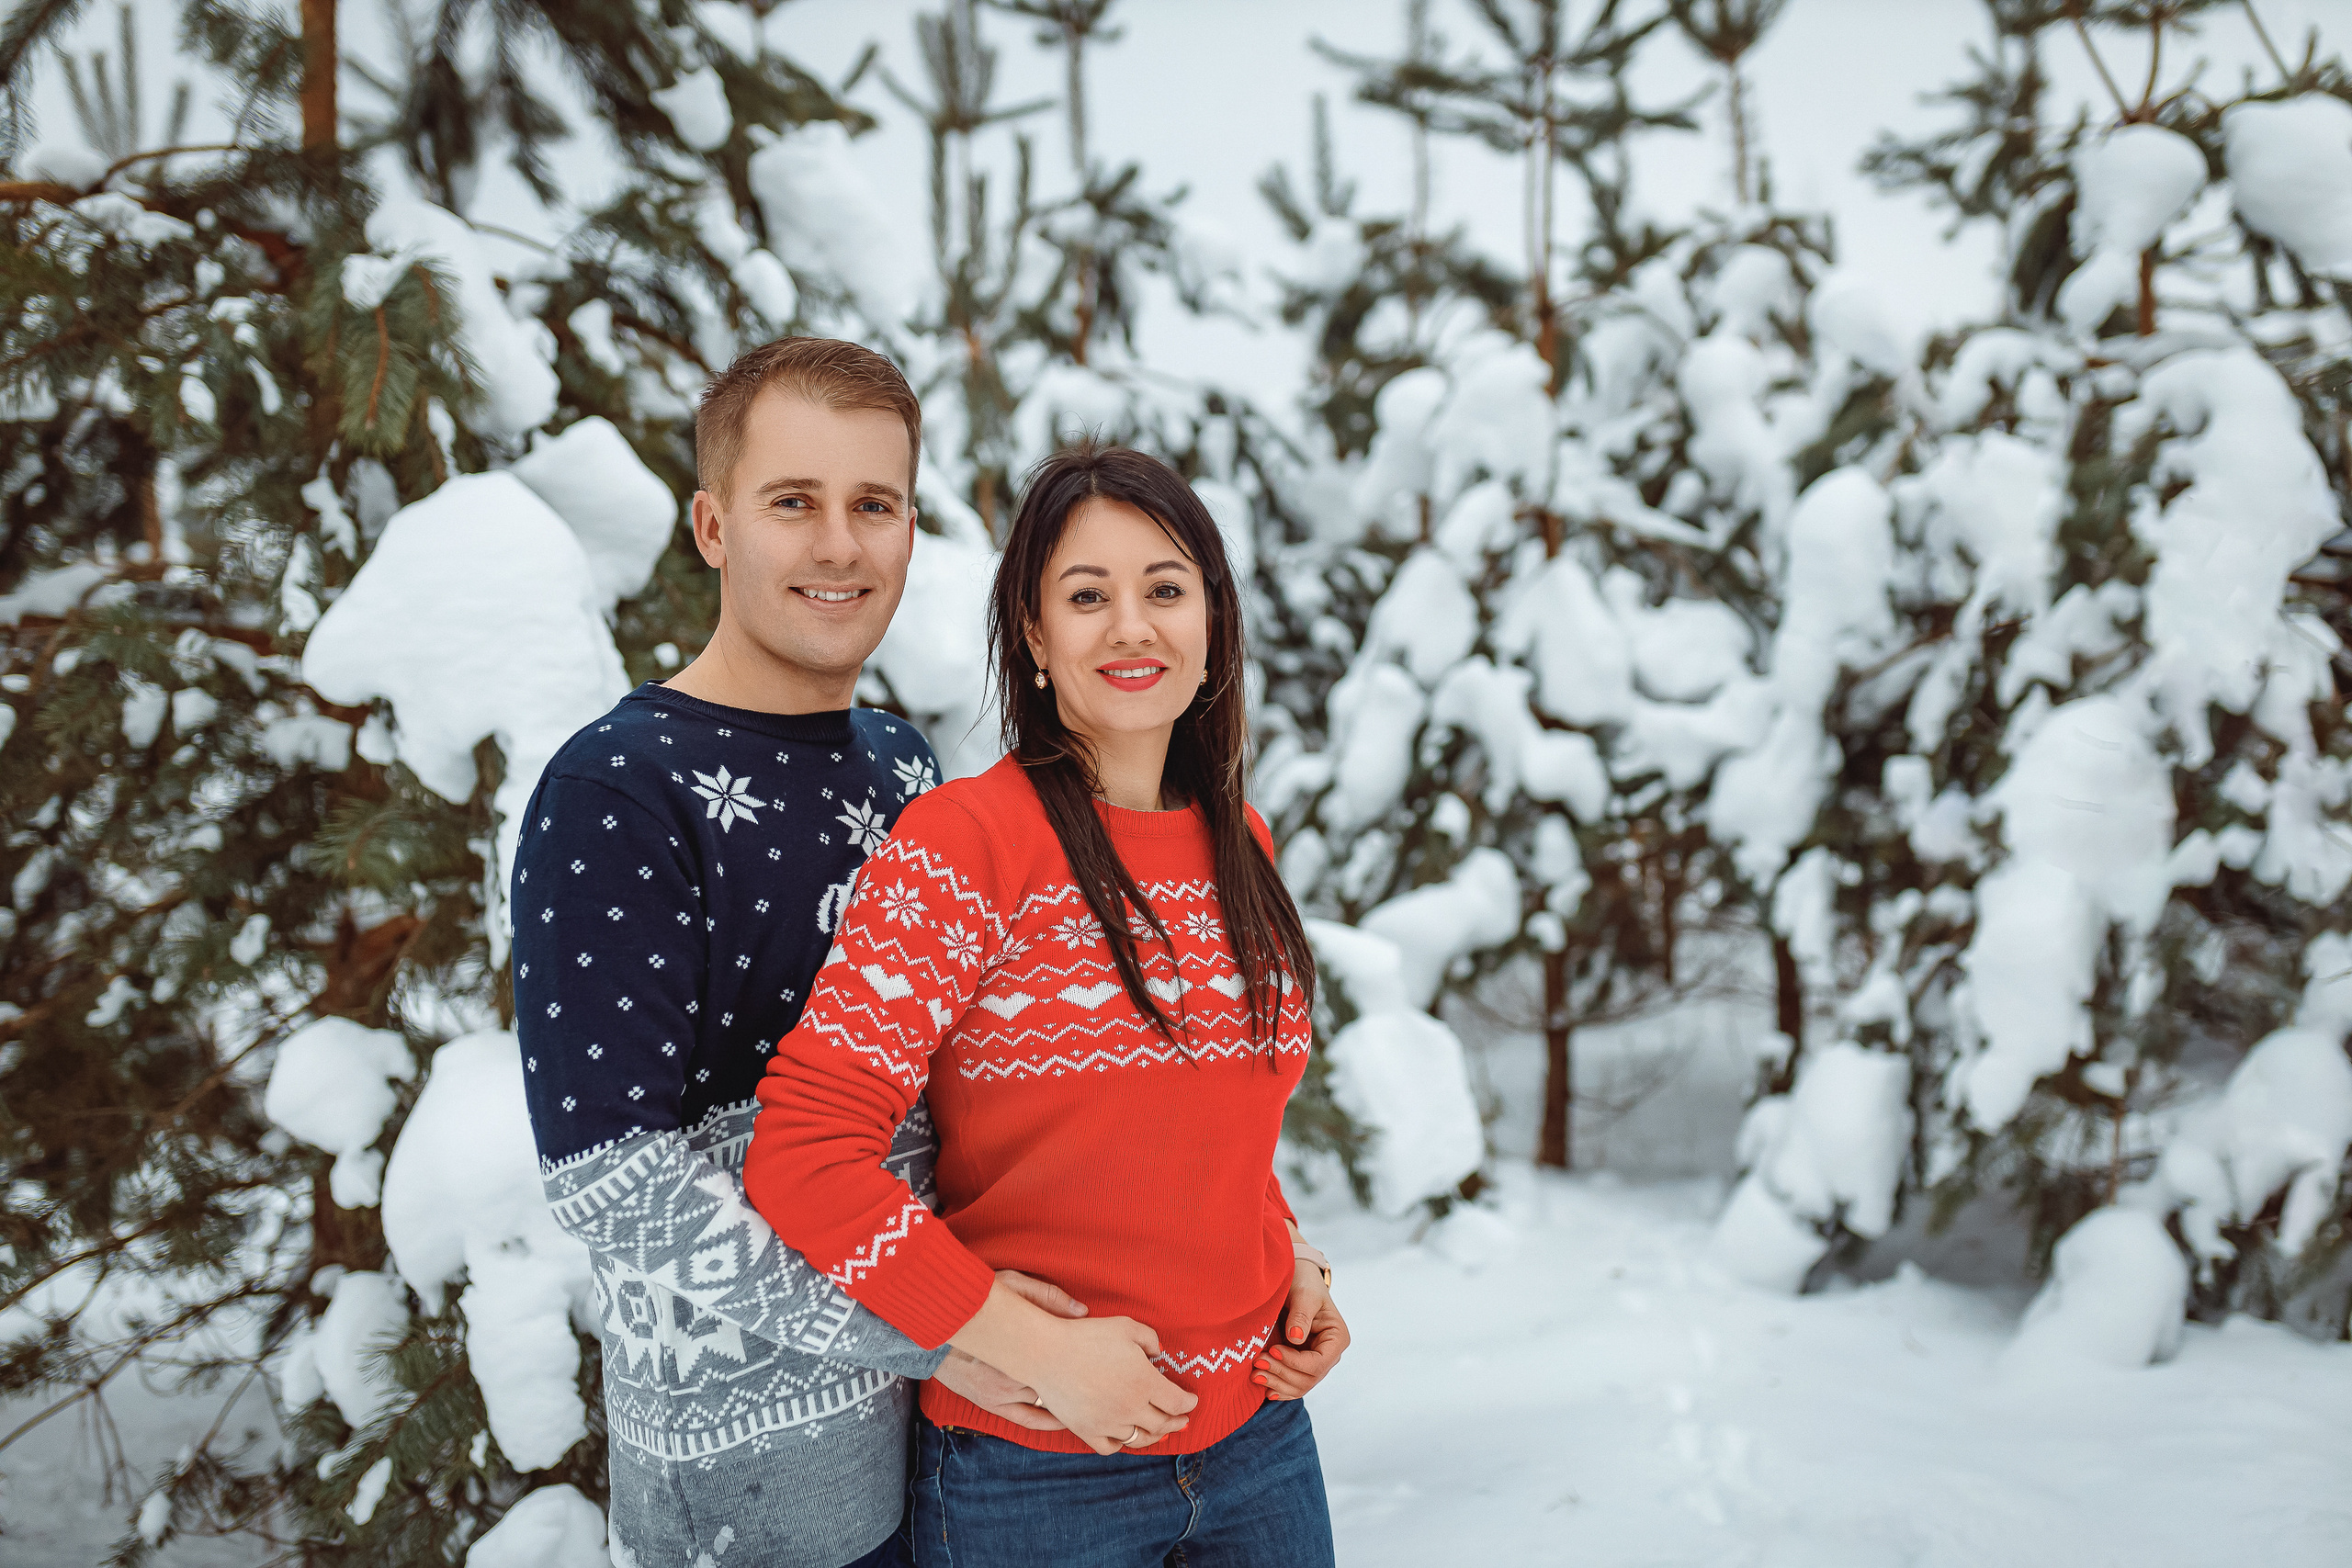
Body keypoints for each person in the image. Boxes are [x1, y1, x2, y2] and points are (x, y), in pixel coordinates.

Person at [511, 337, 1080, 1568]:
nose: (840, 545)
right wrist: (944, 1327)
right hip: (761, 1497)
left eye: (872, 503)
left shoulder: (901, 765)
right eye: (794, 502)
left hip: (959, 1452)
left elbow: (977, 1082)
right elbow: (618, 1179)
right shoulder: (618, 788)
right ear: (714, 525)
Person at [743, 442, 1350, 1567]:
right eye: (1086, 596)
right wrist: (1020, 1340)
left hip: (1261, 1449)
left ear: (1211, 619)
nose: (1132, 626)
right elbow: (802, 1151)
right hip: (1036, 1475)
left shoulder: (1242, 842)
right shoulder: (966, 847)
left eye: (1165, 589)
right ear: (1032, 637)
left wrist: (1293, 1260)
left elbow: (1206, 1126)